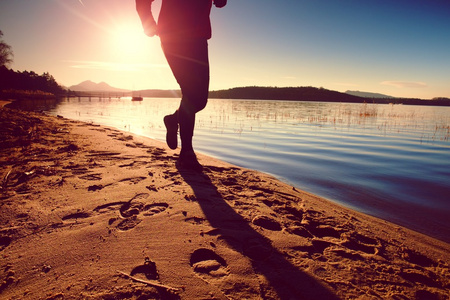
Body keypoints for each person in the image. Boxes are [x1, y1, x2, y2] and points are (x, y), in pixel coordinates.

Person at [136, 0, 227, 172]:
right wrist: (147, 21)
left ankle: (173, 119)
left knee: (199, 100)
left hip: (199, 37)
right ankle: (187, 153)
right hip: (173, 36)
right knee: (191, 92)